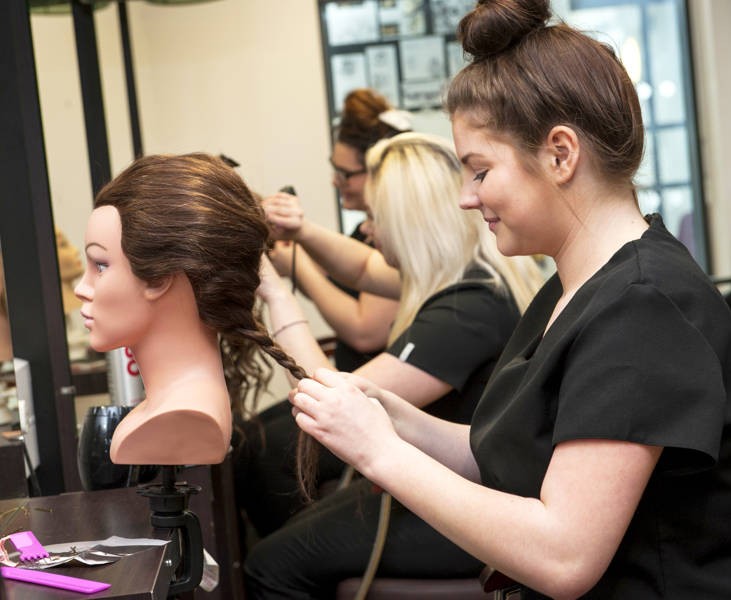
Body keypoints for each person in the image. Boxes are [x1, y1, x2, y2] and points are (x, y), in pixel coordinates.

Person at [285, 1, 731, 599]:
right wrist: (392, 416)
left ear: (560, 154)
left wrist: (381, 452)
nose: (467, 198)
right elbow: (501, 452)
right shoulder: (572, 290)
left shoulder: (644, 308)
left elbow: (564, 556)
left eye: (480, 171)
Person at [243, 132, 544, 598]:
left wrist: (276, 294)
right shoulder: (470, 278)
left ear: (409, 226)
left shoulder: (467, 309)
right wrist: (300, 232)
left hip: (471, 507)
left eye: (374, 216)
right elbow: (363, 269)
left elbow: (329, 396)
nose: (366, 229)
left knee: (269, 566)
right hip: (456, 485)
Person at [232, 89, 410, 534]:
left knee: (266, 451)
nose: (335, 181)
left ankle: (288, 549)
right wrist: (299, 234)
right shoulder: (370, 240)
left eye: (343, 173)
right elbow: (360, 267)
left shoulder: (414, 256)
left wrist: (293, 271)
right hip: (352, 378)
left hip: (365, 391)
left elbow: (366, 329)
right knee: (247, 437)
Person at [73, 153, 306, 465]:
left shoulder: (182, 417)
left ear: (158, 279)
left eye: (100, 265)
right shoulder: (167, 412)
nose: (81, 288)